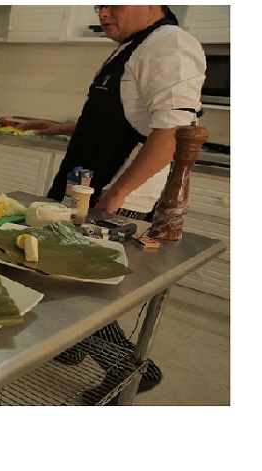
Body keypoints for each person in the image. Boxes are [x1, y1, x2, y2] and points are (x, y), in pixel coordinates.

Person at [17, 5, 206, 404]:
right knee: (60, 276)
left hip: (113, 199)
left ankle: (131, 367)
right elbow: (125, 118)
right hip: (86, 189)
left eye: (112, 3)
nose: (103, 13)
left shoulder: (171, 45)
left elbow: (171, 132)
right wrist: (61, 127)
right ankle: (76, 345)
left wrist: (116, 195)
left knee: (76, 288)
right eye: (98, 5)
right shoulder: (134, 46)